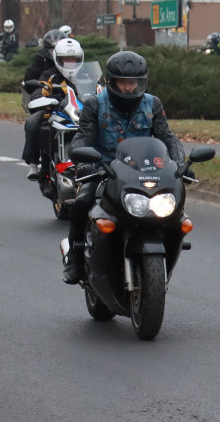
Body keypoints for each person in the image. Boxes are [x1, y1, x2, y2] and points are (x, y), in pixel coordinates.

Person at [62, 50, 185, 284]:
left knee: (175, 210)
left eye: (134, 83)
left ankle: (168, 250)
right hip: (104, 172)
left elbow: (167, 138)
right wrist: (86, 163)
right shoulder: (95, 105)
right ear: (111, 82)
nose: (129, 88)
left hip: (143, 172)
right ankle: (75, 257)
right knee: (81, 203)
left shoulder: (153, 104)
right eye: (123, 82)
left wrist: (179, 164)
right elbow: (81, 140)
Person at [22, 37, 84, 179]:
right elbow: (40, 89)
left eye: (73, 59)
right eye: (66, 59)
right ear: (58, 59)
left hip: (80, 114)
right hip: (54, 113)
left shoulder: (86, 75)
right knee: (32, 122)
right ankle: (34, 164)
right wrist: (42, 98)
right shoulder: (50, 74)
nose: (70, 62)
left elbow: (99, 89)